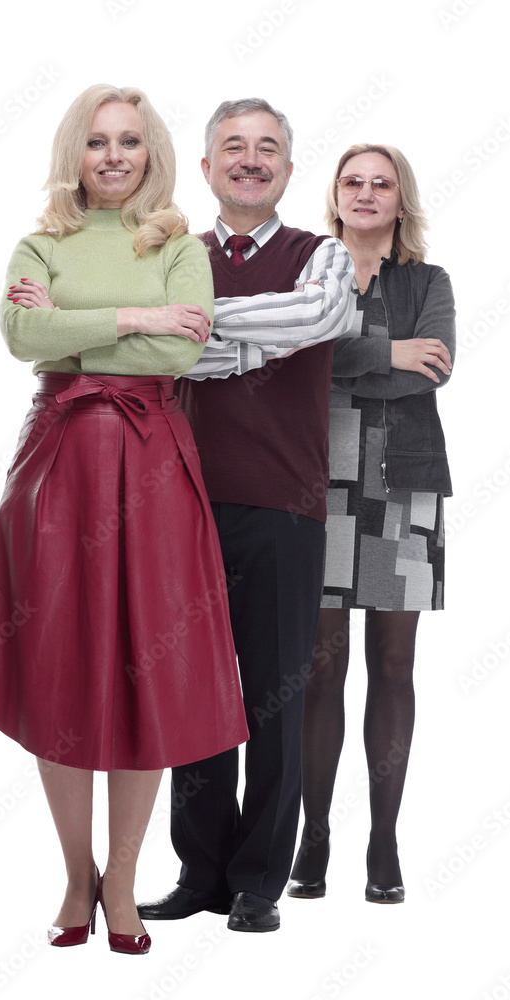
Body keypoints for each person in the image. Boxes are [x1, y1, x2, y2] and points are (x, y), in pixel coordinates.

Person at [0, 84, 251, 956]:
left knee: (146, 666)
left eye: (129, 140)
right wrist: (133, 316)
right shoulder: (38, 239)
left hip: (154, 461)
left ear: (152, 151)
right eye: (97, 143)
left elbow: (182, 347)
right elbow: (19, 335)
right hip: (56, 470)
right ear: (74, 154)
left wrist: (78, 330)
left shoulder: (179, 246)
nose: (113, 156)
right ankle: (73, 870)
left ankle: (121, 877)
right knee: (61, 665)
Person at [137, 98, 356, 933]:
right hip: (178, 507)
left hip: (283, 506)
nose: (250, 159)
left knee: (270, 698)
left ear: (289, 171)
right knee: (193, 697)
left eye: (267, 148)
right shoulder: (171, 256)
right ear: (205, 168)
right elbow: (141, 351)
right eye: (233, 146)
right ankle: (201, 872)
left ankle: (259, 881)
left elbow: (321, 315)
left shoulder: (320, 253)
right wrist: (213, 336)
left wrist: (190, 331)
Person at [286, 144, 455, 904]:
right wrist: (387, 350)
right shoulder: (307, 272)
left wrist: (347, 354)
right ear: (335, 194)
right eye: (351, 181)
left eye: (379, 183)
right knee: (318, 668)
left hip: (401, 484)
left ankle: (382, 841)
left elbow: (435, 365)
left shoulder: (429, 281)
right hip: (312, 479)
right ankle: (312, 836)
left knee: (392, 668)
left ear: (398, 198)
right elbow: (295, 361)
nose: (364, 192)